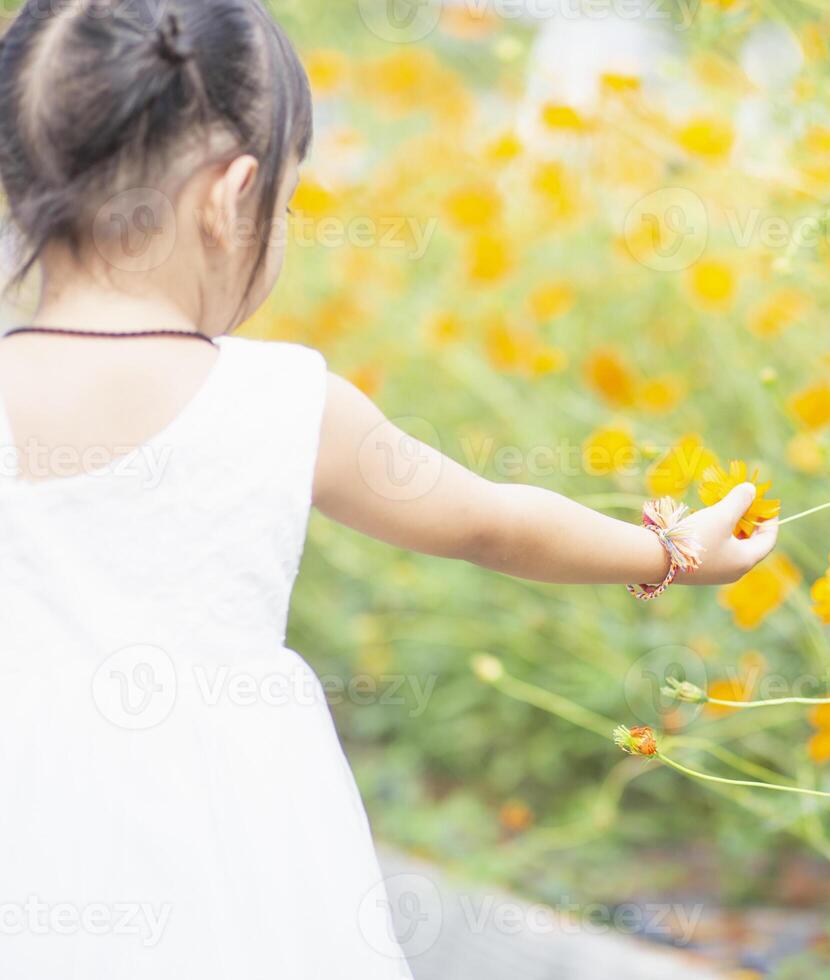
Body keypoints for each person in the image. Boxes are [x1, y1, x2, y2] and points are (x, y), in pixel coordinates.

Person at [0, 1, 776, 975]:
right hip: (233, 831)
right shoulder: (278, 401)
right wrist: (673, 550)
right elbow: (491, 523)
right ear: (233, 197)